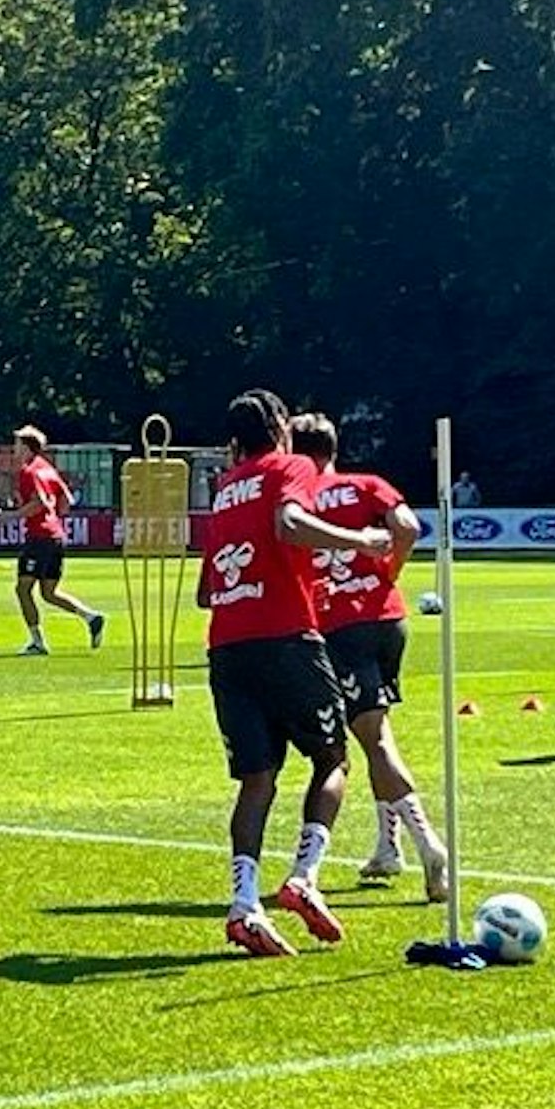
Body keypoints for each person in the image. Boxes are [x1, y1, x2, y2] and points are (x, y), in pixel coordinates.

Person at [198, 390, 393, 957]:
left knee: (256, 780)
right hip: (285, 638)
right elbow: (288, 524)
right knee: (333, 758)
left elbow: (207, 591)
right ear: (281, 427)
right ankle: (304, 877)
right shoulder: (291, 465)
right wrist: (360, 540)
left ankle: (244, 906)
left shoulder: (222, 494)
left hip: (227, 648)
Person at [288, 412, 448, 902]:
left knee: (373, 741)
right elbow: (408, 525)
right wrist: (387, 572)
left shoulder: (301, 496)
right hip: (387, 619)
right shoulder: (366, 484)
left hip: (340, 626)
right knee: (377, 732)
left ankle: (430, 847)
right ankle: (387, 846)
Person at [10, 425, 106, 654]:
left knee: (23, 589)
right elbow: (66, 500)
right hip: (55, 536)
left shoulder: (30, 471)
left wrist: (14, 515)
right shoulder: (47, 468)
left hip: (39, 537)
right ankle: (91, 617)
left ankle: (37, 642)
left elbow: (39, 502)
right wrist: (53, 518)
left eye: (17, 444)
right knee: (48, 593)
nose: (14, 448)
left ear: (25, 446)